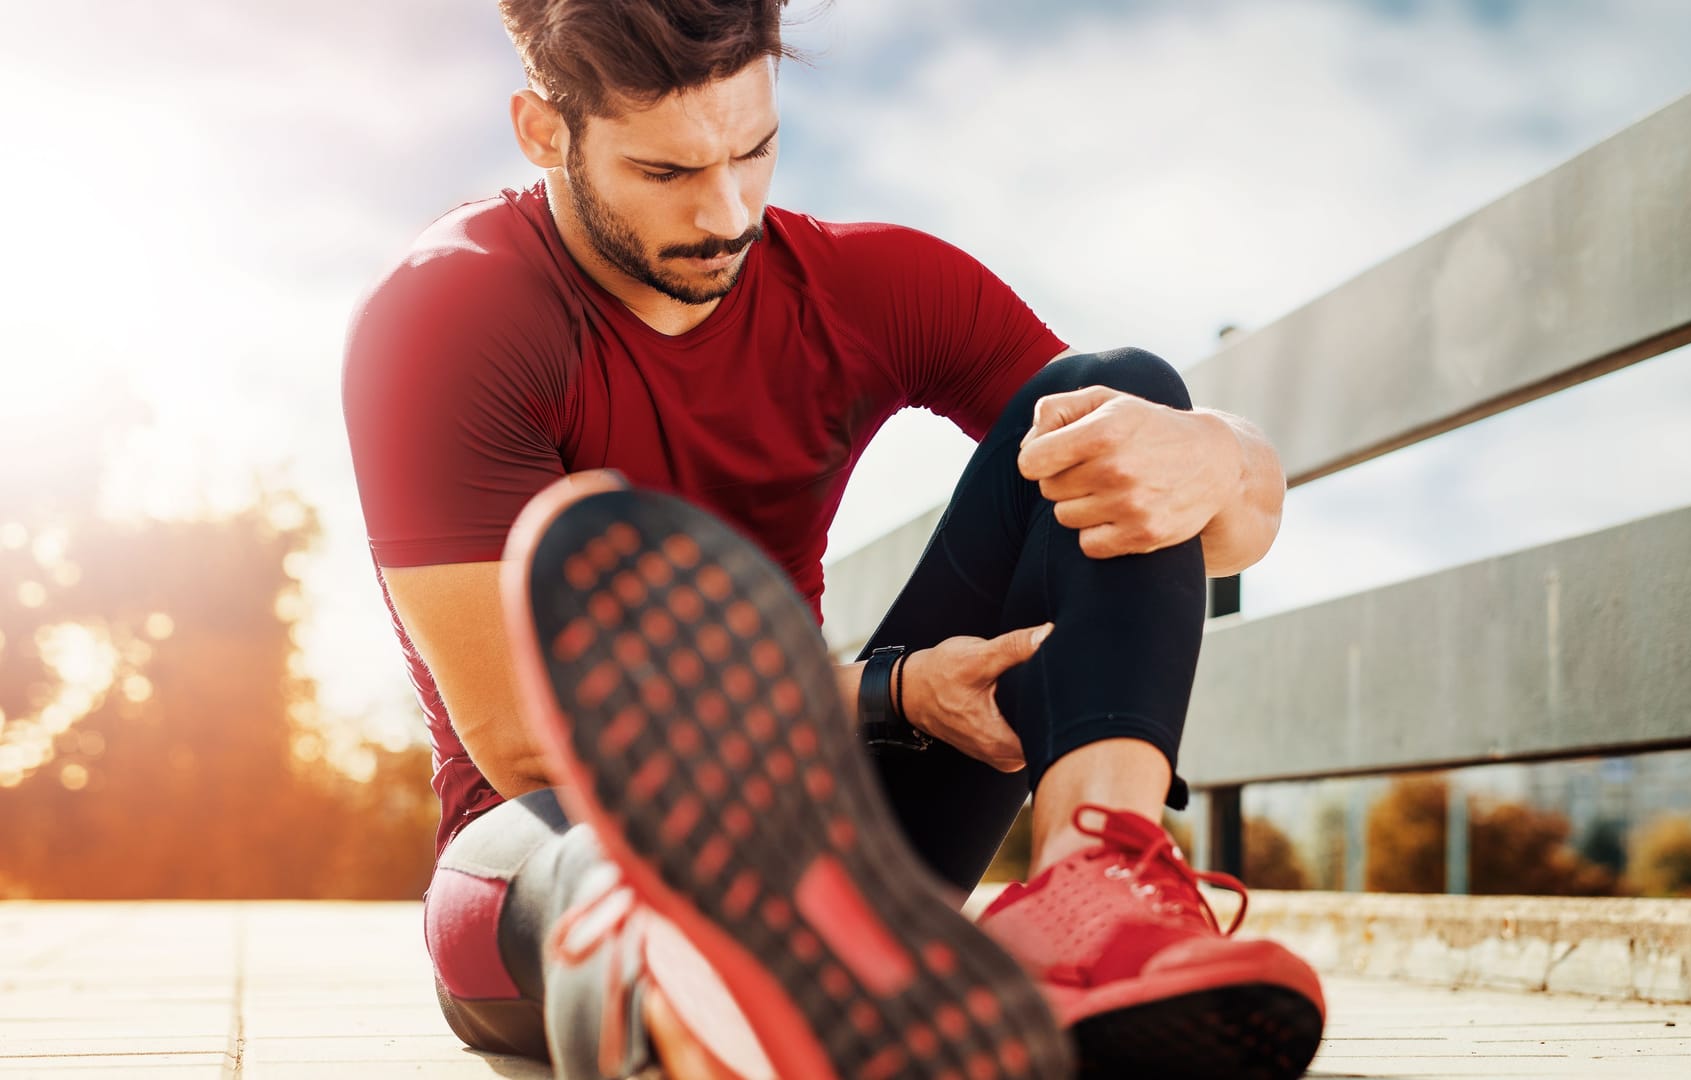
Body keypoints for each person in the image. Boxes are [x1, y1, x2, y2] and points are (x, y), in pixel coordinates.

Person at [341, 1, 1324, 1077]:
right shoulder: (447, 316)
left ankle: (1093, 900)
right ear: (543, 131)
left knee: (1113, 400)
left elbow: (1216, 535)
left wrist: (1223, 456)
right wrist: (887, 691)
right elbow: (534, 739)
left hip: (832, 831)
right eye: (667, 172)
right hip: (549, 844)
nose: (726, 212)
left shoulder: (869, 289)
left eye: (753, 149)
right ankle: (686, 996)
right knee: (622, 871)